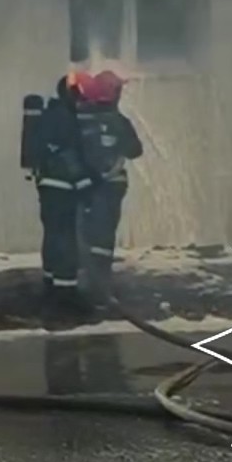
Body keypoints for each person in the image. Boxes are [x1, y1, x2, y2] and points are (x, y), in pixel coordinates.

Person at [30, 70, 97, 307]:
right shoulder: (66, 119)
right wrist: (85, 184)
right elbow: (68, 155)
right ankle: (66, 294)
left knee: (52, 236)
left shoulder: (49, 115)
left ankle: (51, 283)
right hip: (63, 187)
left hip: (48, 186)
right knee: (66, 239)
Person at [76, 70, 143, 294]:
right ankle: (100, 281)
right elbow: (135, 151)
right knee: (104, 235)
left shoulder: (82, 119)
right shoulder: (119, 122)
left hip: (86, 184)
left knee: (85, 231)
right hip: (113, 185)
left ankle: (85, 277)